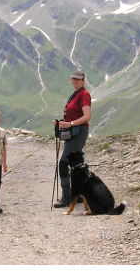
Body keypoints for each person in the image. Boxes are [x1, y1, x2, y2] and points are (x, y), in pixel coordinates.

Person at [53, 70, 91, 208]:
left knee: (64, 162)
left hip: (79, 132)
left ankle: (68, 196)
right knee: (74, 163)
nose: (74, 81)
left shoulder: (84, 94)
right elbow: (74, 114)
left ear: (82, 80)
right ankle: (78, 194)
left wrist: (70, 124)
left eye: (77, 79)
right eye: (73, 79)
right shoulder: (76, 94)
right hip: (73, 131)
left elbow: (87, 116)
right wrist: (62, 123)